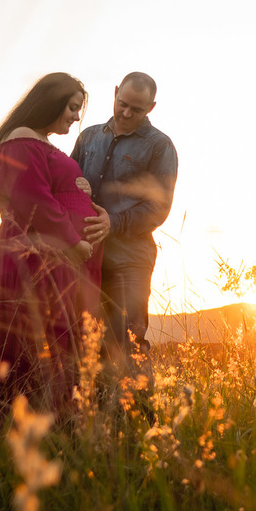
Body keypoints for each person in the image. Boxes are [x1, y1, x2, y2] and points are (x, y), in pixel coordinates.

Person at [0, 72, 107, 424]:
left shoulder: (35, 141)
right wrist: (74, 244)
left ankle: (51, 427)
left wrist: (77, 186)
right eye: (71, 108)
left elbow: (47, 188)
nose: (74, 116)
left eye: (78, 110)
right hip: (37, 257)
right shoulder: (22, 140)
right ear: (49, 102)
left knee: (52, 342)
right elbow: (33, 199)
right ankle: (29, 429)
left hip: (51, 258)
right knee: (32, 339)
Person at [72, 72, 177, 380]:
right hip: (86, 257)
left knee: (129, 344)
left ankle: (141, 424)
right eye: (123, 104)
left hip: (129, 259)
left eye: (138, 109)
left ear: (152, 108)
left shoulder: (160, 146)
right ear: (115, 92)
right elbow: (65, 186)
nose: (127, 113)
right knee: (88, 345)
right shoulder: (88, 136)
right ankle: (98, 424)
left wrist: (112, 223)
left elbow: (159, 207)